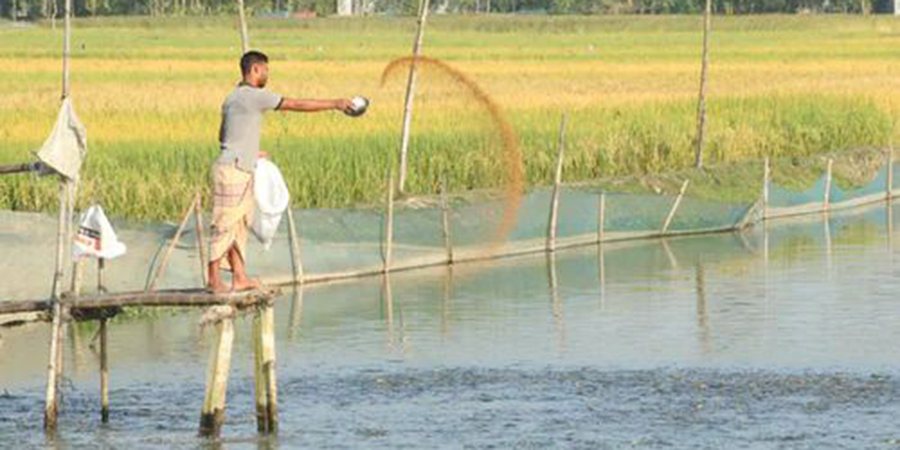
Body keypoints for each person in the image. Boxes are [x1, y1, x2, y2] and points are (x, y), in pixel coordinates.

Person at [207, 50, 353, 293]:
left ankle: (240, 277)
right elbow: (295, 104)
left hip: (239, 165)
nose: (267, 74)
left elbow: (223, 136)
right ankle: (213, 280)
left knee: (239, 224)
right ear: (254, 70)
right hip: (233, 169)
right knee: (225, 223)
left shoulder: (232, 97)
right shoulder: (253, 96)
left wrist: (251, 151)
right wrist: (335, 103)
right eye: (265, 70)